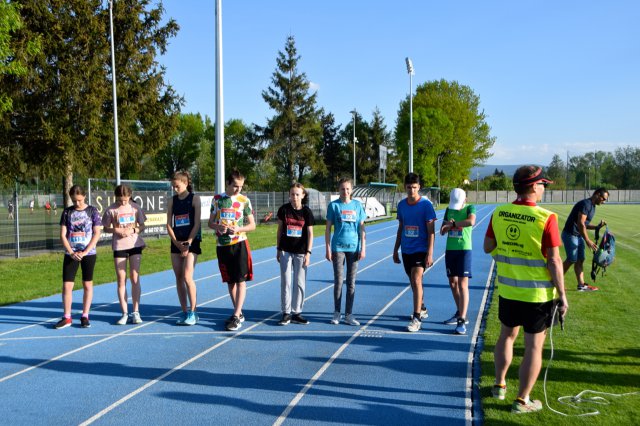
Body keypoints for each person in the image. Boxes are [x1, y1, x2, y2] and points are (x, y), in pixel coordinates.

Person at [484, 165, 568, 414]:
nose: (544, 189)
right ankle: (522, 400)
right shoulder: (546, 218)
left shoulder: (499, 213)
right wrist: (563, 295)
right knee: (533, 346)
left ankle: (499, 386)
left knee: (506, 336)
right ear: (533, 186)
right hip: (537, 295)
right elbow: (554, 260)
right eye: (543, 184)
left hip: (509, 291)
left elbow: (488, 247)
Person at [208, 170, 256, 331]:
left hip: (240, 243)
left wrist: (238, 228)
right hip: (222, 245)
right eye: (235, 186)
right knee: (230, 281)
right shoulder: (217, 200)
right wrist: (218, 227)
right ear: (228, 184)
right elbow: (210, 223)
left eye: (241, 186)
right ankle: (238, 312)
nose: (238, 190)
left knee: (240, 280)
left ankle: (236, 315)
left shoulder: (244, 200)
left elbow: (252, 225)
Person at [392, 173, 436, 332]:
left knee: (417, 279)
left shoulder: (426, 206)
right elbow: (400, 228)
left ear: (419, 188)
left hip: (421, 249)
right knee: (412, 281)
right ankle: (422, 307)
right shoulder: (402, 205)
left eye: (415, 187)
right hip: (406, 249)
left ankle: (416, 318)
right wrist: (395, 249)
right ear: (405, 187)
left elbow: (431, 232)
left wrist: (430, 253)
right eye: (409, 187)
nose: (411, 190)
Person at [55, 185, 102, 329]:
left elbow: (97, 233)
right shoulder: (67, 212)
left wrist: (86, 251)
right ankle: (67, 317)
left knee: (87, 284)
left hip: (88, 253)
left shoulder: (92, 211)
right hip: (71, 253)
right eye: (74, 201)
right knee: (67, 285)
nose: (77, 204)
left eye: (79, 200)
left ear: (84, 197)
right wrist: (71, 252)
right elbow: (63, 234)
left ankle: (85, 315)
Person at [102, 184, 147, 325]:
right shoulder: (111, 210)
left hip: (134, 244)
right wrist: (116, 230)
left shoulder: (135, 207)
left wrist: (133, 230)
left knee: (135, 277)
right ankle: (124, 313)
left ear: (130, 196)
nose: (123, 203)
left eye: (126, 200)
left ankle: (136, 312)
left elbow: (142, 225)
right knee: (121, 279)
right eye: (120, 200)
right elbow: (105, 228)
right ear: (116, 197)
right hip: (119, 246)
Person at [325, 177, 366, 326]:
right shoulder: (333, 206)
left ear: (351, 190)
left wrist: (363, 248)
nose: (345, 191)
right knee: (338, 281)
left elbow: (361, 228)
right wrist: (328, 248)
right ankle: (337, 313)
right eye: (342, 189)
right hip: (338, 248)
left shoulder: (357, 205)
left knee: (351, 282)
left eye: (348, 188)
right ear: (339, 190)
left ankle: (349, 314)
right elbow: (328, 229)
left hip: (354, 248)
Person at [276, 183, 315, 326]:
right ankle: (286, 313)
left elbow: (310, 234)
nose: (294, 197)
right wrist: (278, 249)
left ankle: (297, 312)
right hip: (286, 250)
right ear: (289, 195)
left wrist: (308, 253)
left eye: (297, 194)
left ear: (303, 195)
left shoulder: (307, 212)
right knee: (285, 282)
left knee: (299, 283)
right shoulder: (284, 210)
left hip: (301, 252)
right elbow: (280, 230)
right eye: (292, 194)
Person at [166, 171, 202, 326]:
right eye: (173, 186)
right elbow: (168, 224)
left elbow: (197, 222)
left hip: (191, 241)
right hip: (176, 242)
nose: (175, 189)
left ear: (185, 183)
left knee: (188, 276)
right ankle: (184, 311)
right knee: (179, 278)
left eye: (177, 186)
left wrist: (187, 242)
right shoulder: (172, 201)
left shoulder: (195, 199)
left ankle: (193, 312)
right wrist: (176, 242)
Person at [440, 188, 476, 335]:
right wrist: (448, 226)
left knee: (462, 283)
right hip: (451, 250)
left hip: (464, 250)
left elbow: (471, 221)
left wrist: (454, 225)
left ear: (465, 199)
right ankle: (460, 312)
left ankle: (461, 320)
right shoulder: (449, 210)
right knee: (453, 283)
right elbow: (442, 230)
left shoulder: (470, 208)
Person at [561, 188, 609, 292]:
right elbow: (580, 223)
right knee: (571, 259)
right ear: (597, 194)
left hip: (578, 235)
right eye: (603, 198)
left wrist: (596, 227)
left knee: (580, 259)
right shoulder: (586, 204)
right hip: (570, 234)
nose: (604, 201)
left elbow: (584, 225)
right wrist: (587, 240)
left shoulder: (592, 206)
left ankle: (581, 285)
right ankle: (556, 282)